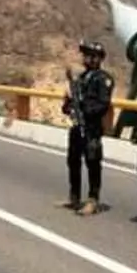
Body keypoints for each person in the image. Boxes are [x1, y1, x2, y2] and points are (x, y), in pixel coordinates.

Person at [59, 39, 115, 215]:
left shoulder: (103, 79)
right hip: (77, 126)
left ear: (99, 58)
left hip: (92, 128)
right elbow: (71, 102)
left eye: (92, 56)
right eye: (86, 55)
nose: (88, 59)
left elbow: (103, 104)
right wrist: (69, 105)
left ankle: (92, 199)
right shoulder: (82, 78)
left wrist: (84, 108)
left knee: (93, 163)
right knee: (73, 161)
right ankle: (74, 197)